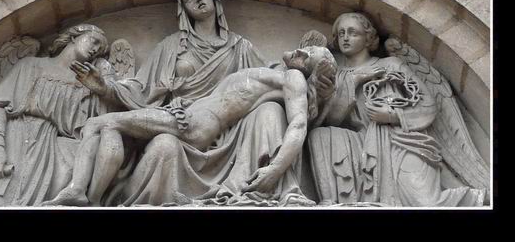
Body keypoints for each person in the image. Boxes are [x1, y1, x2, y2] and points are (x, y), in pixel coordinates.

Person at [67, 0, 312, 206]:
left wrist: (318, 83)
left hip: (227, 131)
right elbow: (141, 89)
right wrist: (105, 88)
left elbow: (284, 89)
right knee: (162, 145)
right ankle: (87, 198)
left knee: (270, 110)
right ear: (184, 10)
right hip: (180, 118)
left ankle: (84, 195)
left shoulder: (242, 48)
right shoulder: (171, 47)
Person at [43, 45, 335, 206]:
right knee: (109, 127)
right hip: (186, 116)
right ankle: (90, 197)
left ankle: (80, 192)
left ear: (309, 68)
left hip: (194, 125)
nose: (301, 50)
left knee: (97, 122)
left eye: (310, 53)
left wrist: (274, 170)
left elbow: (299, 125)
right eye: (307, 46)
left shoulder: (293, 79)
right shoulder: (277, 74)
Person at [308, 12, 485, 206]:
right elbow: (331, 120)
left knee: (425, 203)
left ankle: (477, 199)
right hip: (361, 142)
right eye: (341, 33)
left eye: (353, 33)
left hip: (400, 141)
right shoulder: (338, 76)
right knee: (319, 135)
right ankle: (335, 204)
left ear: (368, 38)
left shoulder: (391, 65)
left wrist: (393, 115)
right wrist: (353, 81)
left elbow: (428, 104)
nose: (345, 38)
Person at [0, 23, 114, 205]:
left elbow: (103, 123)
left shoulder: (87, 85)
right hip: (15, 142)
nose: (95, 49)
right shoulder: (30, 66)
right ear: (74, 37)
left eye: (100, 49)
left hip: (56, 150)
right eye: (94, 41)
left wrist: (103, 87)